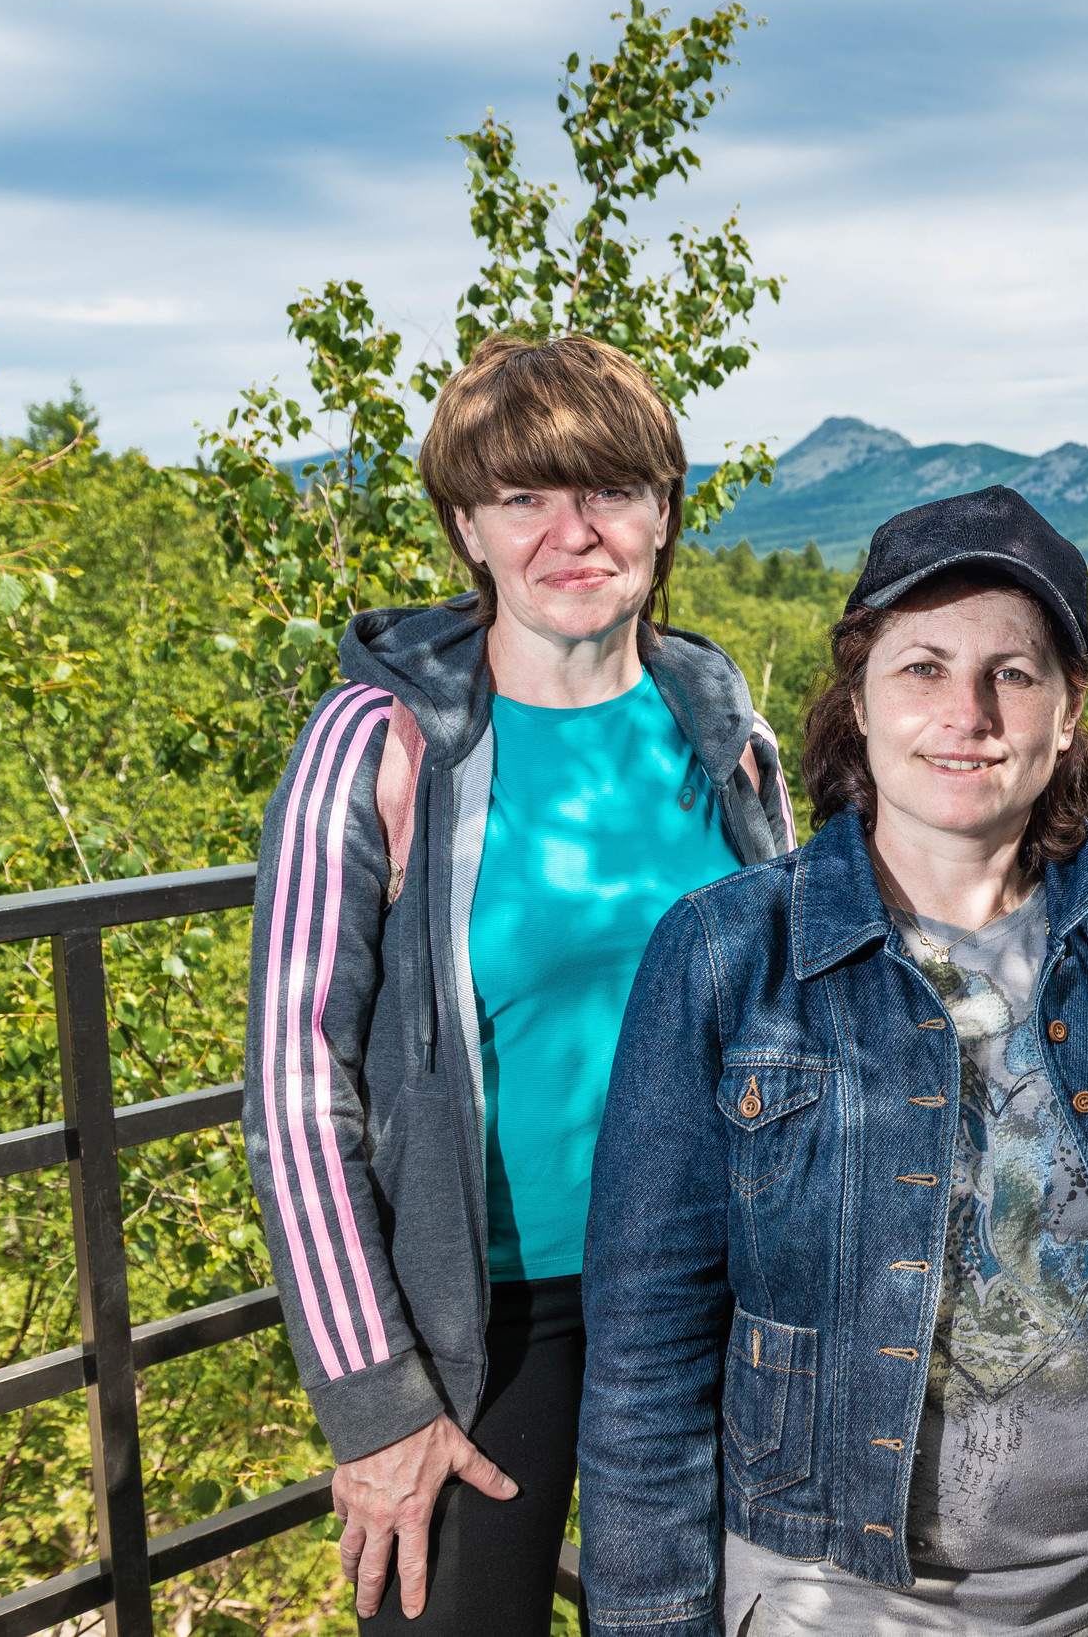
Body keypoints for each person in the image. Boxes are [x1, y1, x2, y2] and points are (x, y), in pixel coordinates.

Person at [577, 486, 1088, 1637]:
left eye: (1013, 671)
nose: (969, 711)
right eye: (922, 668)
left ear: (1067, 708)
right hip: (839, 1600)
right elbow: (646, 1356)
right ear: (857, 698)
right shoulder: (727, 955)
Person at [240, 334, 796, 1636]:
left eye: (610, 489)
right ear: (465, 528)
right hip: (483, 1323)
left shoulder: (720, 722)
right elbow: (293, 1089)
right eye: (523, 499)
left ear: (664, 510)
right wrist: (376, 1399)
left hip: (709, 1296)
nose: (573, 531)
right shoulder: (378, 745)